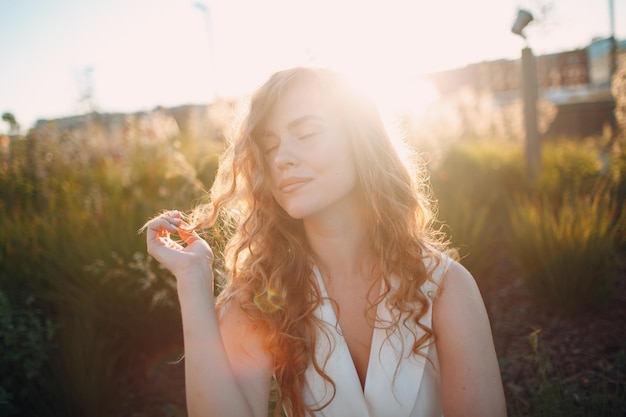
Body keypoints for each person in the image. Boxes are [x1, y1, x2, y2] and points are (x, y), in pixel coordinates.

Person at [144, 67, 507, 417]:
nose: (281, 159)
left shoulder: (446, 288)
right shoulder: (262, 297)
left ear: (359, 140)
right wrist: (193, 281)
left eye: (307, 134)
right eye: (269, 147)